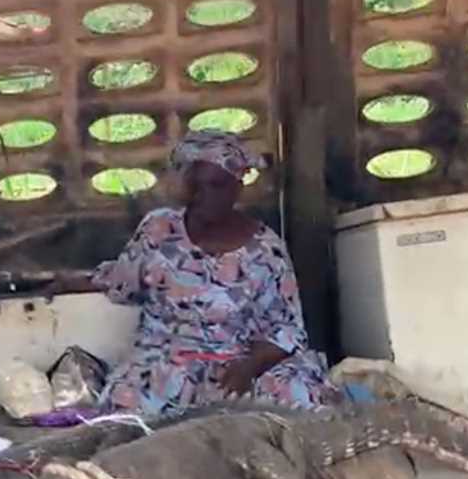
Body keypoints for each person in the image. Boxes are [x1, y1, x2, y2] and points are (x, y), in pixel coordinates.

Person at [77, 130, 340, 416]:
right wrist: (72, 281)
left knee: (297, 397)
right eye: (195, 186)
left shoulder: (266, 250)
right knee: (128, 400)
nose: (203, 196)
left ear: (237, 186)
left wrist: (249, 368)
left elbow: (288, 329)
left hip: (238, 362)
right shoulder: (159, 229)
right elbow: (123, 283)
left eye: (216, 185)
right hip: (167, 362)